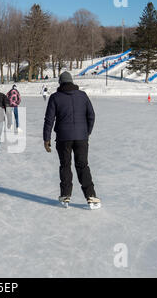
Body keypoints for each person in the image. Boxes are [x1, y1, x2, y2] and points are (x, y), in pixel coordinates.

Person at [43, 71, 101, 210]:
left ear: (60, 82)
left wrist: (46, 138)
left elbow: (49, 120)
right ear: (72, 81)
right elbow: (91, 116)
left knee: (65, 165)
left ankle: (65, 195)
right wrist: (86, 133)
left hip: (63, 138)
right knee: (82, 165)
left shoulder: (55, 97)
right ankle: (91, 196)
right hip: (81, 138)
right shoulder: (83, 95)